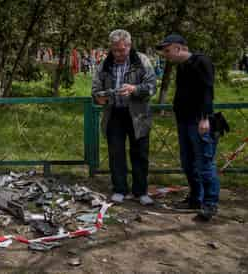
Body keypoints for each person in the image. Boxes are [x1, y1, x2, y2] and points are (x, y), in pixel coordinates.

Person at [156, 34, 220, 221]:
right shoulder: (182, 66)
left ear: (179, 48)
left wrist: (205, 118)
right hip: (183, 121)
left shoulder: (202, 62)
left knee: (204, 164)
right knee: (188, 163)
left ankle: (210, 203)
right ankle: (195, 198)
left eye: (167, 50)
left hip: (199, 121)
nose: (166, 55)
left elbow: (207, 91)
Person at [92, 29, 156, 205]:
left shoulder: (142, 61)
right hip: (114, 113)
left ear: (129, 45)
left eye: (121, 50)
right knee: (116, 153)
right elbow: (95, 90)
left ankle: (140, 191)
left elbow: (152, 87)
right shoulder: (104, 64)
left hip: (138, 114)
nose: (118, 54)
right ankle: (119, 189)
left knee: (140, 153)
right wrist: (99, 96)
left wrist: (135, 89)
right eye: (114, 50)